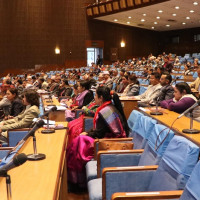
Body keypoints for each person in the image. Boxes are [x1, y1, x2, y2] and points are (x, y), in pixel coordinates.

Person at [66, 86, 129, 188]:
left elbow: (100, 132)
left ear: (101, 98)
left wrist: (87, 134)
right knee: (79, 140)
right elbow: (100, 130)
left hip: (111, 143)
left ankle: (76, 181)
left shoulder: (106, 111)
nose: (94, 98)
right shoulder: (108, 107)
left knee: (79, 143)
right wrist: (87, 133)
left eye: (95, 96)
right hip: (106, 138)